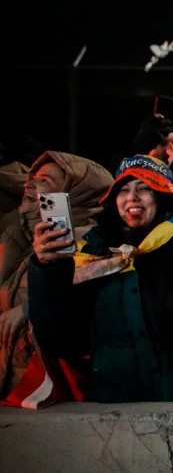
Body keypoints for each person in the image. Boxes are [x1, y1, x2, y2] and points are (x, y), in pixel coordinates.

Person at [28, 92, 173, 403]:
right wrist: (47, 270)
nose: (132, 197)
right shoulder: (90, 255)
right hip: (111, 414)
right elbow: (58, 336)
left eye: (145, 188)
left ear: (163, 197)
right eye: (123, 190)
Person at [0, 152, 113, 398]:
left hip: (49, 389)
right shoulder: (15, 230)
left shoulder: (91, 243)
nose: (30, 184)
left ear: (73, 194)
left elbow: (84, 309)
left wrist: (29, 308)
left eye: (45, 181)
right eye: (32, 178)